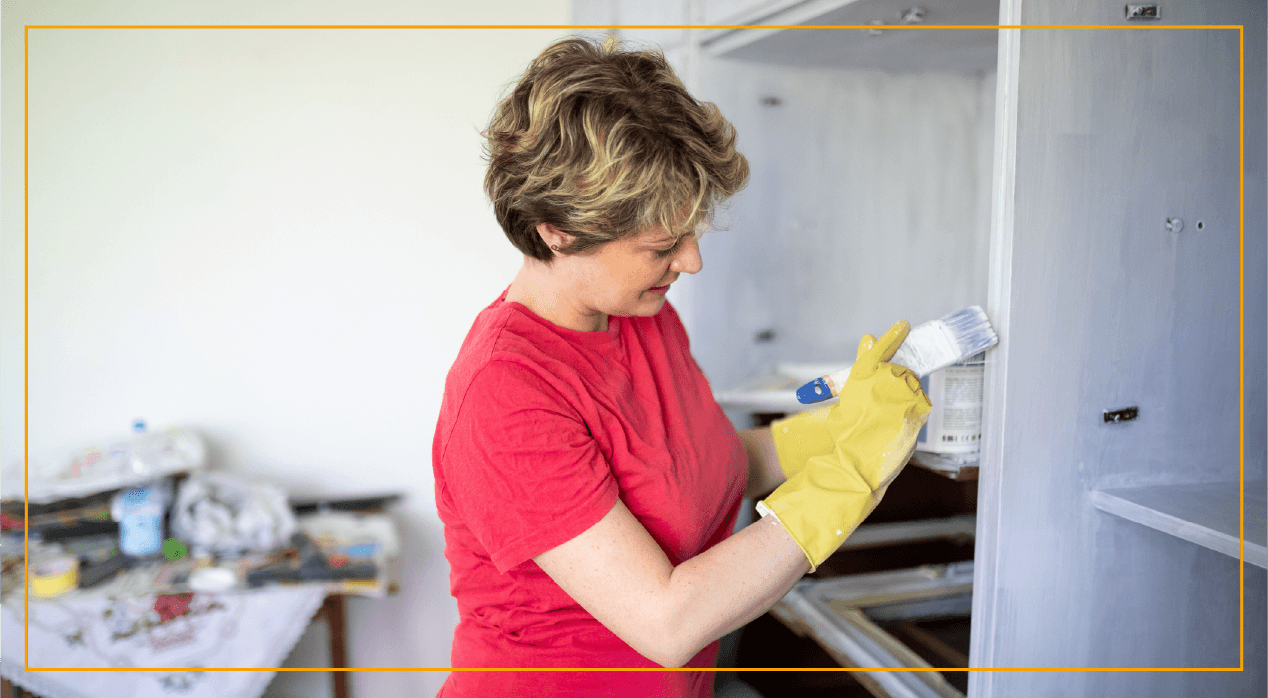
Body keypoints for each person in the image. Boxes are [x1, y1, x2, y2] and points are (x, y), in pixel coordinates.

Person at [431, 36, 931, 697]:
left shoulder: (642, 313)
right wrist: (853, 472)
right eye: (662, 245)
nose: (691, 261)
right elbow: (667, 620)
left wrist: (842, 426)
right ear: (556, 228)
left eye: (692, 232)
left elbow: (711, 466)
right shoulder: (506, 393)